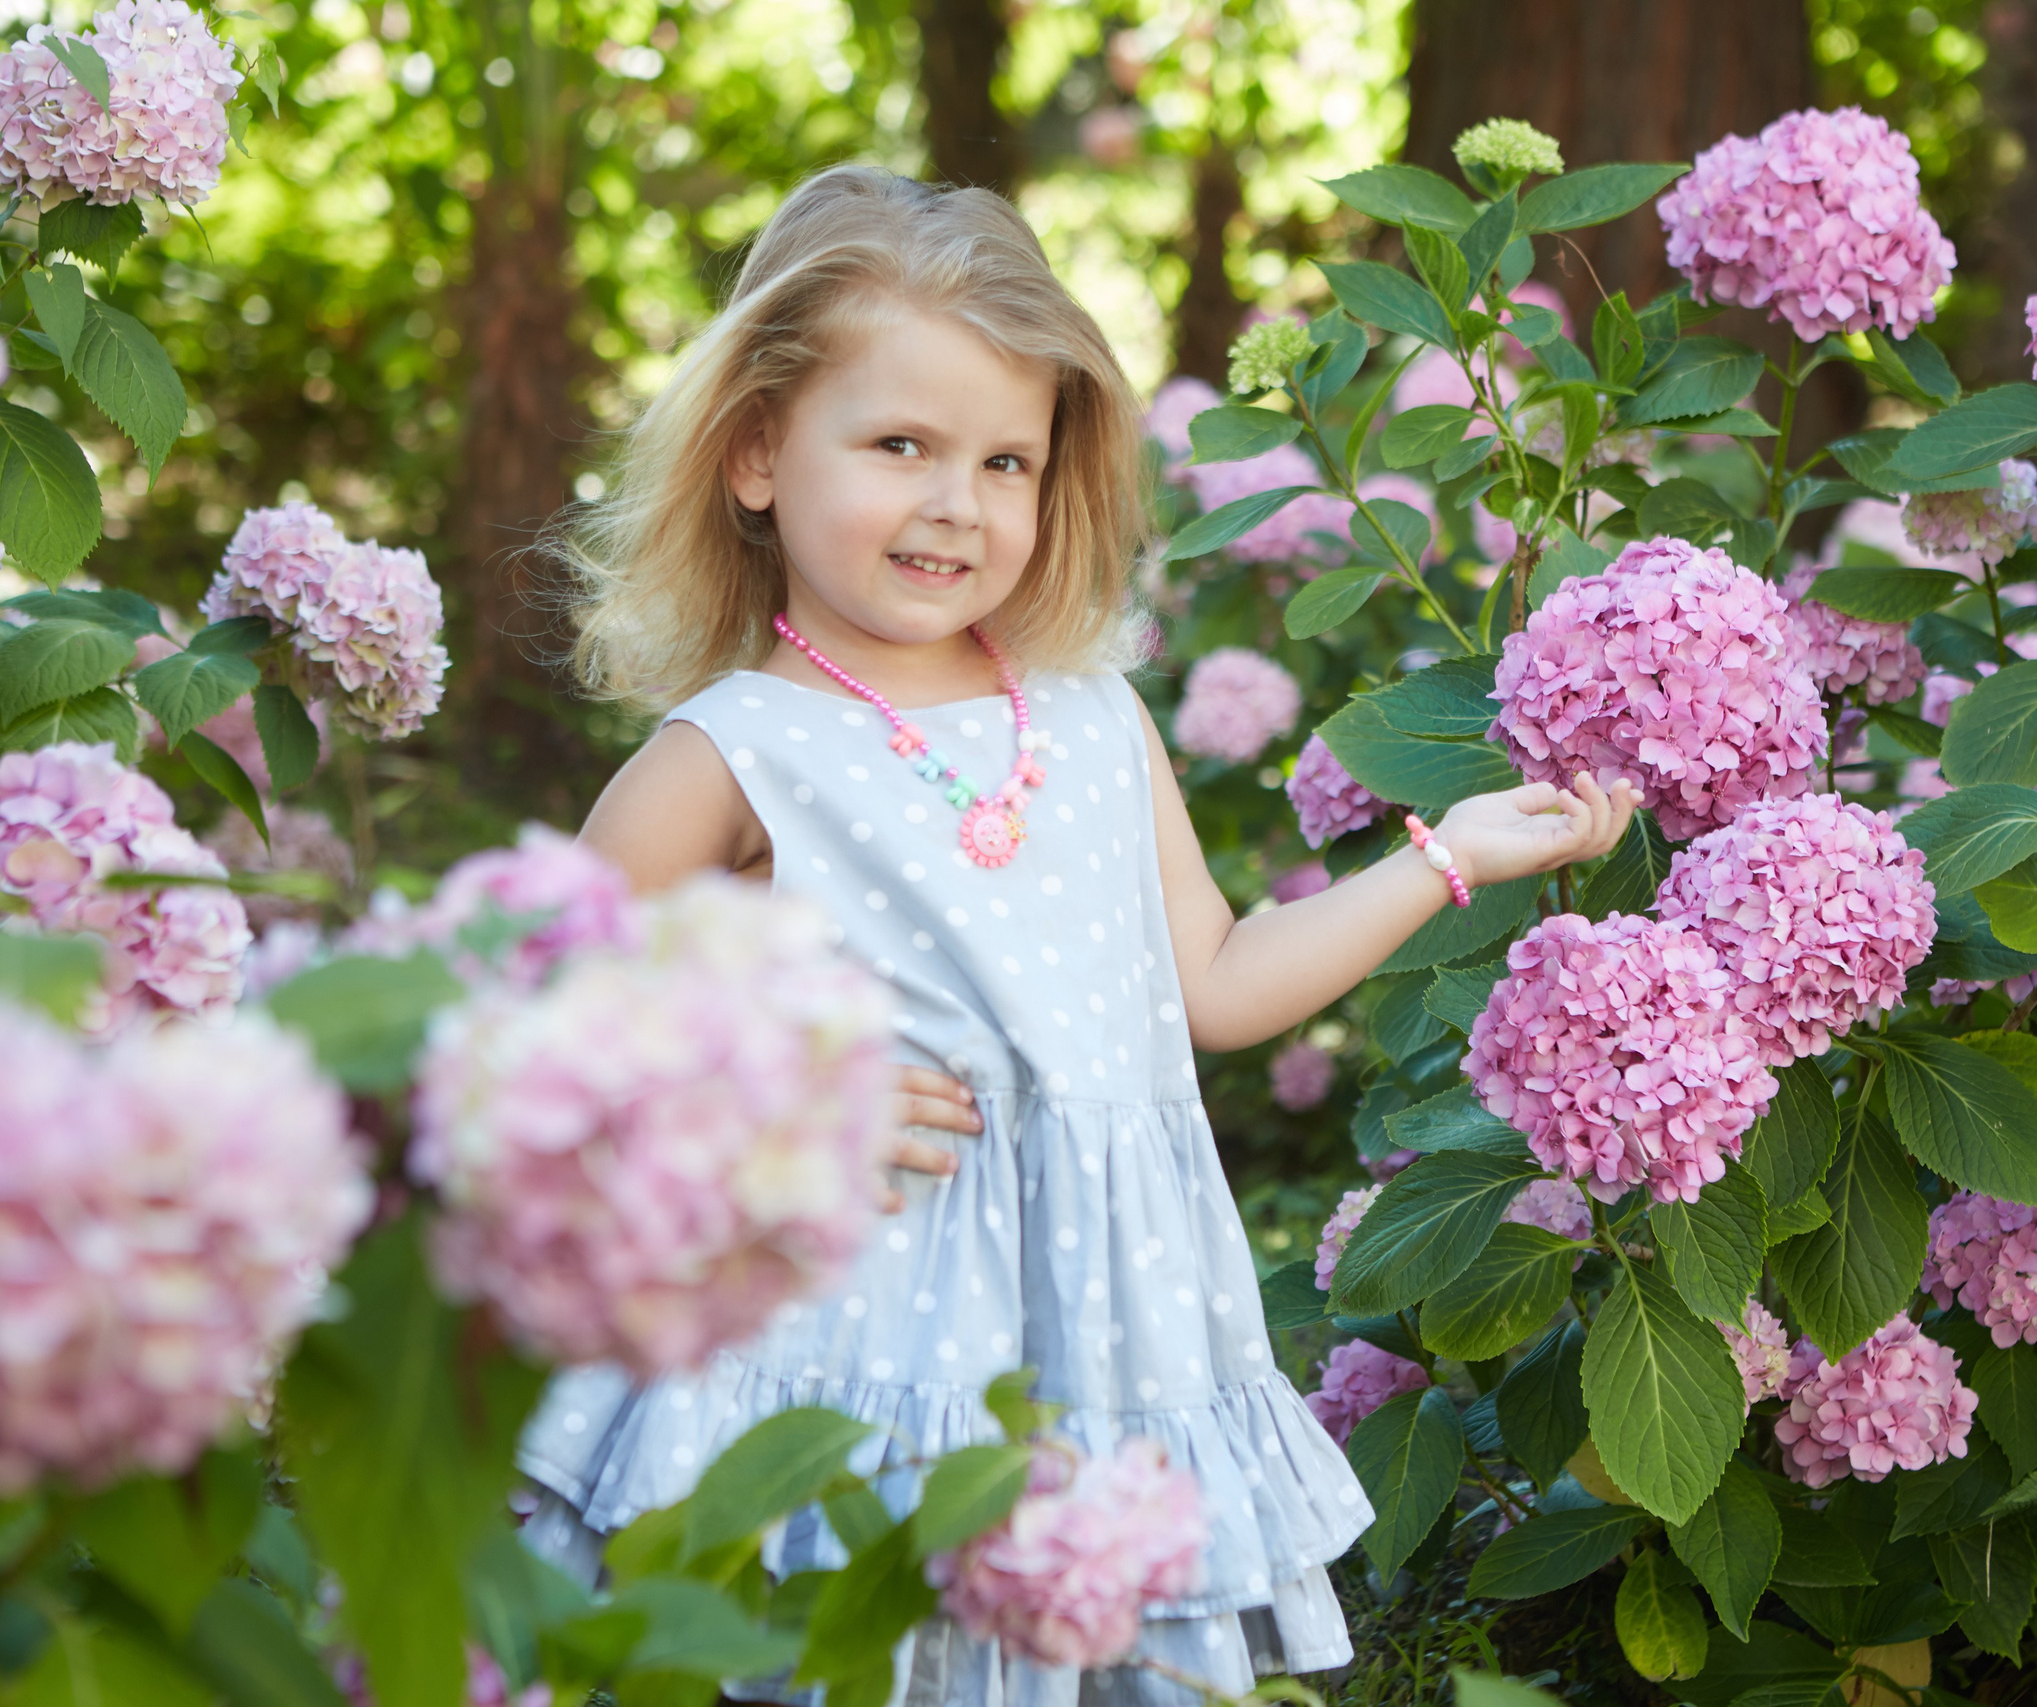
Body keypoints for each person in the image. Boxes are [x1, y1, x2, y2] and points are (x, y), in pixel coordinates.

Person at [518, 163, 1642, 1705]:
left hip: (1110, 1331)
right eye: (899, 444)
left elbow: (1221, 986)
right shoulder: (733, 754)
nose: (954, 504)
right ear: (759, 449)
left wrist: (1449, 857)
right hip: (852, 1330)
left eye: (1004, 460)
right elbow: (526, 1050)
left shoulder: (1094, 723)